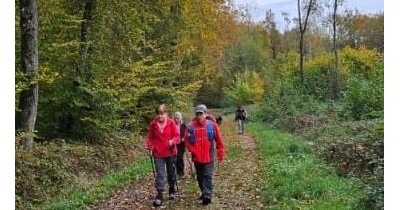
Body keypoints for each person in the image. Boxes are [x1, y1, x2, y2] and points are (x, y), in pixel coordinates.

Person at [185, 104, 225, 205]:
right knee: (200, 177)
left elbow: (219, 140)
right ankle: (204, 191)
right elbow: (186, 140)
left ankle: (207, 195)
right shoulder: (190, 126)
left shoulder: (212, 125)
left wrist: (220, 152)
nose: (199, 116)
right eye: (197, 114)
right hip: (197, 156)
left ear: (205, 114)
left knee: (207, 175)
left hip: (209, 154)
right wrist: (192, 149)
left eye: (201, 114)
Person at [146, 104, 180, 207]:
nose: (160, 116)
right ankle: (159, 195)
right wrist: (150, 147)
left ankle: (171, 189)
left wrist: (172, 141)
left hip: (170, 152)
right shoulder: (153, 124)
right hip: (158, 153)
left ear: (166, 113)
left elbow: (177, 136)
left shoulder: (171, 122)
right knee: (160, 174)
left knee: (171, 172)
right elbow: (150, 138)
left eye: (162, 113)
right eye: (158, 113)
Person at [173, 111, 187, 179]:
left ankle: (181, 172)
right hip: (174, 144)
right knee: (175, 158)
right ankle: (176, 172)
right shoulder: (172, 125)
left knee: (180, 158)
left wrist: (184, 138)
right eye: (175, 118)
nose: (176, 120)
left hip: (181, 144)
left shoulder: (183, 125)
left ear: (180, 118)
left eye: (177, 118)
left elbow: (186, 133)